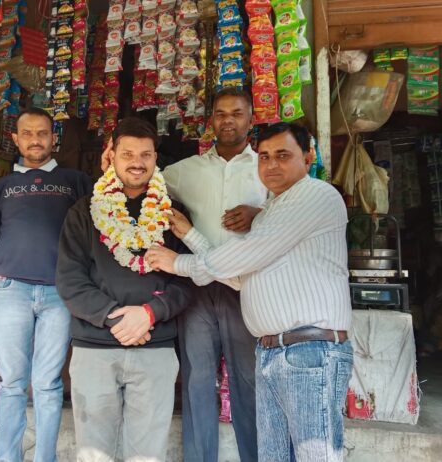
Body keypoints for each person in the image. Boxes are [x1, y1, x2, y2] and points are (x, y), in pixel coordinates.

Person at [146, 122, 354, 462]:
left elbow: (245, 254)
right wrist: (188, 234)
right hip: (274, 352)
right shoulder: (271, 211)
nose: (271, 165)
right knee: (272, 455)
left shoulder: (316, 195)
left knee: (314, 454)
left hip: (310, 352)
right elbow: (241, 276)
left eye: (283, 155)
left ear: (308, 157)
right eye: (265, 156)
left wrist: (177, 263)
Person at [102, 88, 266, 462]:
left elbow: (287, 212)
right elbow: (139, 177)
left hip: (247, 288)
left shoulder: (265, 169)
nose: (228, 120)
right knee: (197, 381)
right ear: (211, 121)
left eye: (237, 113)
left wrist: (258, 214)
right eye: (220, 113)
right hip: (196, 289)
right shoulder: (184, 171)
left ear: (251, 119)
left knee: (249, 381)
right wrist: (111, 163)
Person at [55, 117, 194, 462]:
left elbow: (189, 278)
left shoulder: (172, 215)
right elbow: (70, 280)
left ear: (155, 158)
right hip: (94, 347)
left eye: (145, 155)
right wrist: (117, 318)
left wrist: (150, 314)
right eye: (128, 154)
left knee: (147, 455)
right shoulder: (84, 211)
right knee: (93, 453)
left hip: (155, 347)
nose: (137, 162)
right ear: (112, 155)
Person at [0, 107, 93, 462]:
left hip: (60, 293)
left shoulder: (76, 181)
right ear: (15, 139)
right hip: (11, 292)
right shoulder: (1, 188)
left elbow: (100, 228)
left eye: (43, 133)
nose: (36, 140)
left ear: (53, 138)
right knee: (13, 384)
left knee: (48, 385)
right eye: (28, 133)